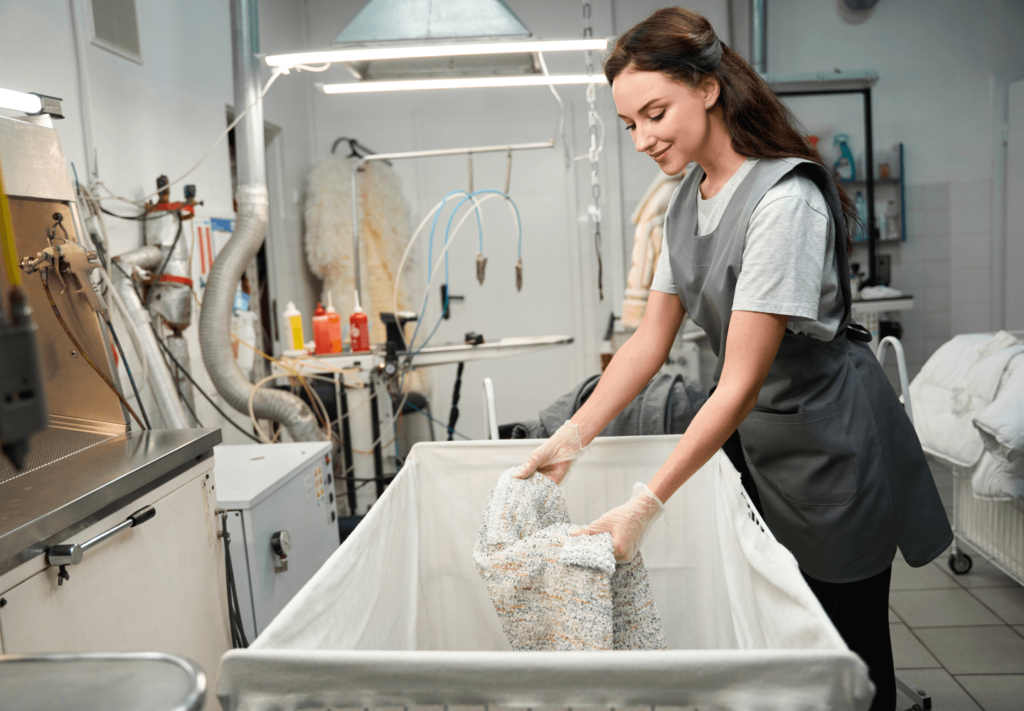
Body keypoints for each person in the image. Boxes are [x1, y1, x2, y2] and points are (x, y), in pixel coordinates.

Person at [514, 8, 952, 711]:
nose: (642, 138)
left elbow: (741, 381)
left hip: (831, 441)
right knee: (779, 629)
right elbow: (649, 343)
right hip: (763, 440)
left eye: (655, 112)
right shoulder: (683, 200)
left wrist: (644, 505)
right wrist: (574, 434)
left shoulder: (785, 201)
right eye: (630, 124)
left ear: (707, 88)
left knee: (847, 645)